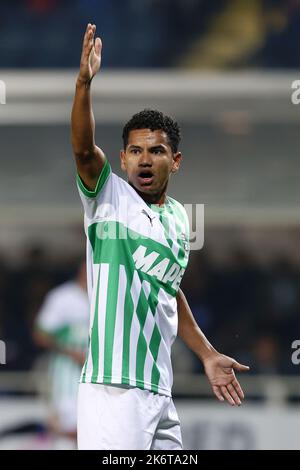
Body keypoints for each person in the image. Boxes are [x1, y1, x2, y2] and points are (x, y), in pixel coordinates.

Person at [72, 23, 250, 450]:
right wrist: (83, 85)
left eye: (156, 151)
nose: (144, 160)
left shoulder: (177, 219)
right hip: (113, 390)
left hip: (158, 390)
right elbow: (82, 149)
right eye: (135, 151)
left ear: (176, 160)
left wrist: (206, 353)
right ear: (122, 158)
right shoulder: (107, 196)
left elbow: (169, 291)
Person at [34, 260, 89, 448]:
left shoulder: (108, 297)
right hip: (67, 381)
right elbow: (41, 335)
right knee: (67, 437)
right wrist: (70, 352)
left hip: (98, 382)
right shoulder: (62, 297)